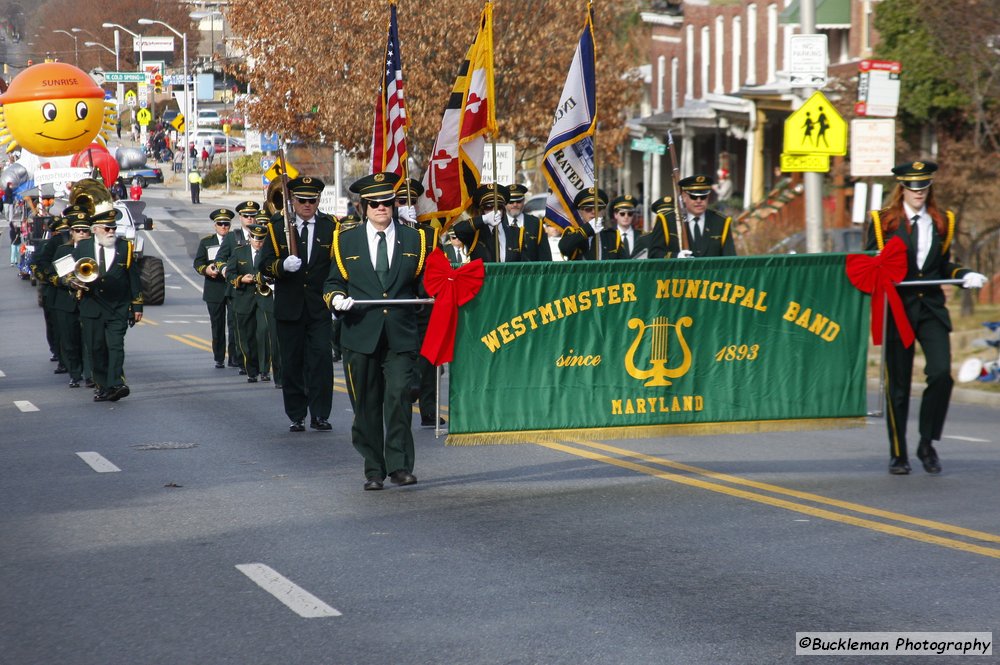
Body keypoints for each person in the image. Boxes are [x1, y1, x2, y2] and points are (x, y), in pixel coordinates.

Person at [866, 161, 988, 475]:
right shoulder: (883, 223)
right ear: (902, 189)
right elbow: (869, 263)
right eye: (912, 187)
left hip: (931, 308)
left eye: (923, 186)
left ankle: (926, 442)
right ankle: (898, 453)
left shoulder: (942, 220)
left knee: (940, 374)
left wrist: (964, 274)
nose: (918, 192)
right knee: (898, 384)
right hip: (898, 309)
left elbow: (943, 265)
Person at [324, 171, 429, 490]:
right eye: (374, 203)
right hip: (360, 333)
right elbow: (332, 283)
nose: (381, 208)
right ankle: (373, 468)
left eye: (387, 202)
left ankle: (399, 465)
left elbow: (425, 285)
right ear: (362, 206)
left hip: (400, 334)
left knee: (398, 398)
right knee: (366, 406)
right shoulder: (346, 240)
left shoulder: (417, 239)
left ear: (395, 204)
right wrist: (336, 298)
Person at [259, 176, 339, 432]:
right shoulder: (276, 226)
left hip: (318, 308)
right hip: (289, 306)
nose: (307, 205)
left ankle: (320, 414)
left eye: (312, 200)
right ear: (292, 200)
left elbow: (337, 264)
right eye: (302, 200)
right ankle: (296, 414)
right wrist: (281, 266)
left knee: (321, 362)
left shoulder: (331, 226)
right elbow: (264, 263)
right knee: (292, 363)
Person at [72, 207, 143, 402]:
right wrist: (74, 283)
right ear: (95, 229)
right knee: (96, 348)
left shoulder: (125, 247)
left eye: (113, 228)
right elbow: (73, 273)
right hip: (92, 306)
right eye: (107, 228)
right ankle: (103, 386)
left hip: (118, 307)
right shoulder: (83, 247)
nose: (111, 232)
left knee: (116, 346)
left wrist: (137, 306)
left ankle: (117, 383)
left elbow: (133, 278)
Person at [217, 200, 263, 372]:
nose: (250, 219)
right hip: (238, 288)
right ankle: (238, 358)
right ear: (240, 217)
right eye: (246, 216)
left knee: (259, 329)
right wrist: (225, 271)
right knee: (237, 326)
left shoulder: (263, 233)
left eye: (253, 215)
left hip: (259, 290)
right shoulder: (232, 237)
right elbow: (220, 259)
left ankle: (256, 362)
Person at [647, 175, 737, 258]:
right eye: (694, 196)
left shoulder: (720, 222)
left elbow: (730, 258)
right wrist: (676, 256)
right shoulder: (667, 220)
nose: (699, 201)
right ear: (684, 197)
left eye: (703, 196)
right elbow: (654, 254)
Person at [227, 223, 273, 383]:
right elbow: (230, 274)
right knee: (247, 337)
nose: (258, 242)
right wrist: (240, 279)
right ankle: (251, 370)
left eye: (261, 239)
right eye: (255, 239)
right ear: (250, 238)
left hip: (264, 298)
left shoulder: (269, 254)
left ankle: (265, 369)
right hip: (244, 298)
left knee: (264, 332)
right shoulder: (240, 252)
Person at [194, 209, 235, 370]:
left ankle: (234, 357)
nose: (224, 226)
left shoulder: (235, 240)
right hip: (214, 288)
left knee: (234, 325)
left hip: (232, 287)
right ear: (215, 225)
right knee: (217, 325)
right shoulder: (206, 242)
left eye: (226, 224)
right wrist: (206, 270)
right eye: (220, 224)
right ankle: (219, 357)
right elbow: (198, 263)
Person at [451, 183, 528, 263]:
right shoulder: (475, 234)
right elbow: (458, 230)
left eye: (499, 207)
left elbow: (524, 265)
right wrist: (484, 219)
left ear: (503, 209)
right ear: (482, 210)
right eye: (488, 207)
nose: (494, 211)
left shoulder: (516, 233)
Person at [558, 187, 625, 260]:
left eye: (598, 209)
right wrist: (588, 229)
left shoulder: (612, 236)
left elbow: (625, 265)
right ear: (580, 212)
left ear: (603, 212)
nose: (593, 212)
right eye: (588, 209)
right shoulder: (573, 233)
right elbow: (564, 248)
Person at [505, 183, 543, 261]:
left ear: (523, 201)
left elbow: (545, 256)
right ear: (505, 203)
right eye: (511, 202)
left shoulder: (535, 223)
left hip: (531, 272)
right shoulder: (498, 224)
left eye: (518, 201)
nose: (515, 205)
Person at [609, 194, 645, 259]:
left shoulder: (641, 235)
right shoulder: (608, 235)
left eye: (630, 214)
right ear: (615, 215)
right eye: (622, 214)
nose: (626, 216)